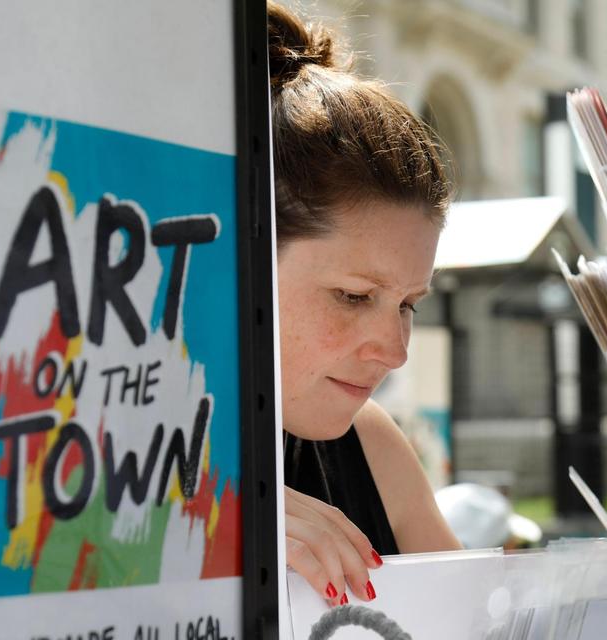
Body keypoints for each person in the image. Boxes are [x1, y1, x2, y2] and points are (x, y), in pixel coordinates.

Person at [267, 1, 462, 608]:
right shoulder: (106, 454)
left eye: (408, 304)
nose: (396, 353)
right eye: (353, 297)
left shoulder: (371, 443)